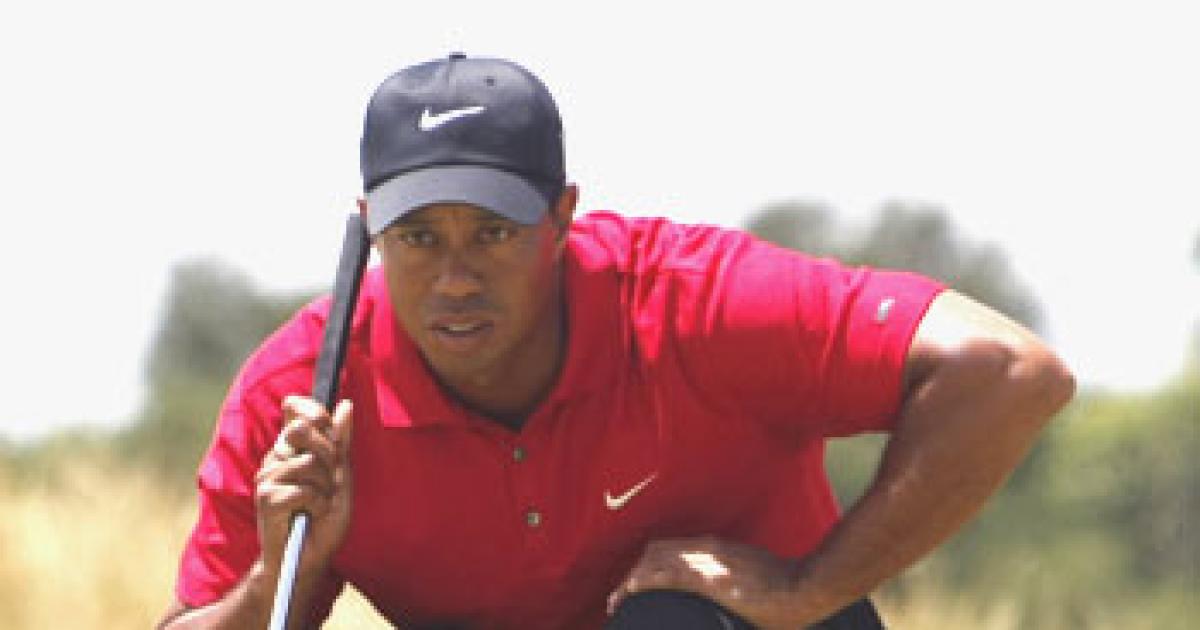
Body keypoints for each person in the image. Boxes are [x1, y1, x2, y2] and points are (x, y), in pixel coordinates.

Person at [157, 53, 1075, 629]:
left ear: (562, 217)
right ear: (368, 229)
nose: (455, 277)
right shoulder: (303, 395)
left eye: (493, 233)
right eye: (418, 238)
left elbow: (1010, 371)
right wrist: (280, 575)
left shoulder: (694, 302)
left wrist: (810, 586)